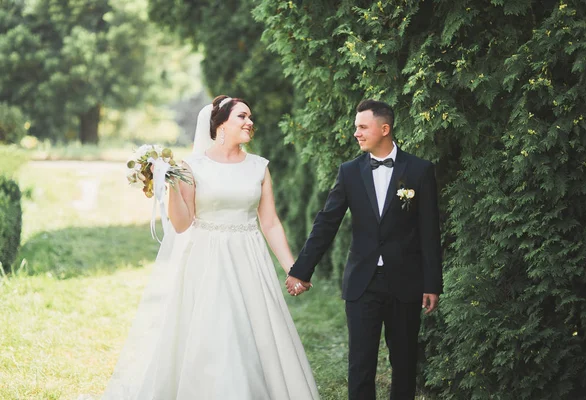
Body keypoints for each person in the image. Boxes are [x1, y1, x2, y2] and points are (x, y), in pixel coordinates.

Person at [102, 95, 319, 399]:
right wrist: (171, 185)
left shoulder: (259, 167)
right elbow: (181, 224)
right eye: (242, 117)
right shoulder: (192, 166)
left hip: (249, 258)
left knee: (252, 334)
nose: (250, 122)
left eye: (250, 117)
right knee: (214, 333)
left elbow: (269, 222)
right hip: (207, 261)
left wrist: (292, 270)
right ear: (220, 125)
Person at [285, 99, 443, 400]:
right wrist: (300, 271)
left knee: (405, 363)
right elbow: (326, 223)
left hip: (406, 283)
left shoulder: (420, 171)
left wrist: (431, 283)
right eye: (356, 127)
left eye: (362, 127)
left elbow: (429, 231)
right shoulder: (349, 172)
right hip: (362, 282)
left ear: (385, 129)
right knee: (360, 364)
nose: (356, 133)